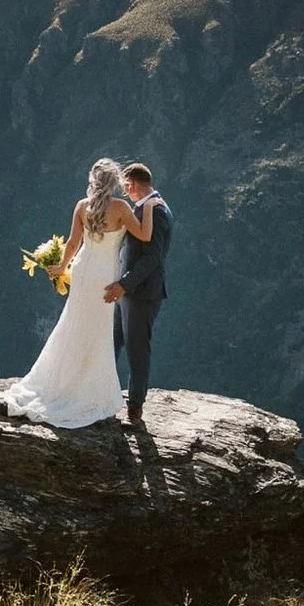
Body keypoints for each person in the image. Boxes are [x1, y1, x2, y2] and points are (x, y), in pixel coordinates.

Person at [4, 158, 157, 428]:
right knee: (98, 331)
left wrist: (61, 267)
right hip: (104, 274)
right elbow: (145, 236)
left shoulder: (81, 206)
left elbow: (73, 243)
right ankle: (86, 389)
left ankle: (60, 381)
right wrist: (150, 208)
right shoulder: (121, 207)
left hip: (82, 270)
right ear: (114, 182)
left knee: (73, 324)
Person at [104, 162, 171, 425]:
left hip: (141, 293)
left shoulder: (158, 212)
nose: (124, 190)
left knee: (137, 350)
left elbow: (152, 257)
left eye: (125, 185)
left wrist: (124, 284)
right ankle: (102, 394)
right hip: (128, 292)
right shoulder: (145, 208)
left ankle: (135, 407)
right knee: (112, 342)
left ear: (132, 183)